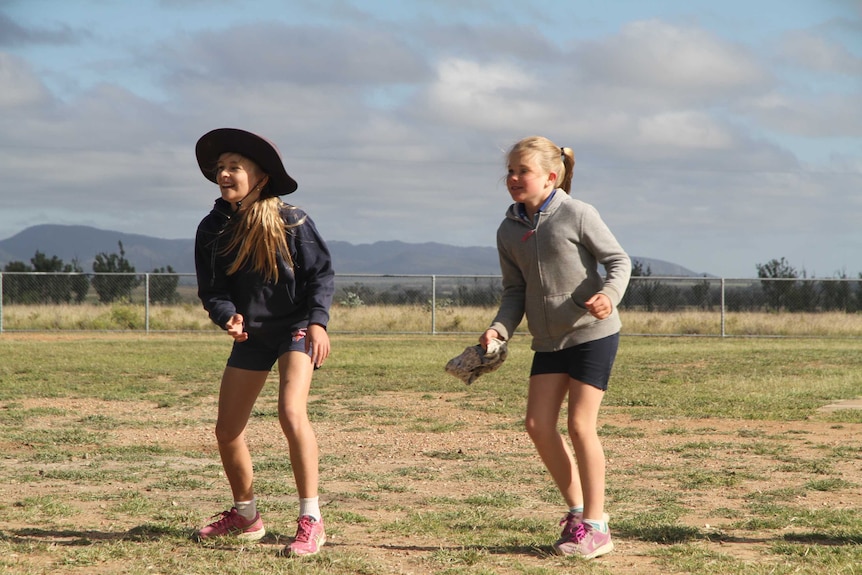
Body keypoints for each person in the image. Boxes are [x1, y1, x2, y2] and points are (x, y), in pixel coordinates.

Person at [480, 135, 630, 559]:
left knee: (581, 426)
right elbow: (514, 292)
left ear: (550, 177)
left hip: (592, 334)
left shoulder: (578, 213)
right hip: (548, 342)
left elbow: (619, 261)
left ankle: (597, 527)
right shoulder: (508, 229)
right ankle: (578, 512)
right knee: (537, 425)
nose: (512, 178)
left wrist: (610, 296)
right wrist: (498, 331)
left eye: (521, 171)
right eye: (509, 171)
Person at [192, 128, 335, 557]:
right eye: (220, 168)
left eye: (234, 166)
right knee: (227, 429)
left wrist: (318, 323)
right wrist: (227, 317)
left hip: (295, 328)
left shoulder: (293, 220)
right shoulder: (212, 228)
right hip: (252, 336)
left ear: (261, 176)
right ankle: (246, 515)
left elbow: (321, 276)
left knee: (291, 412)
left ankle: (311, 519)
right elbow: (212, 291)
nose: (224, 174)